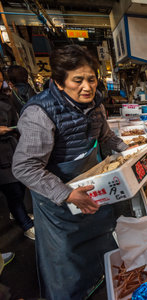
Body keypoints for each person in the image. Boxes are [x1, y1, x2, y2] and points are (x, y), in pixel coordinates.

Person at [12, 45, 128, 299]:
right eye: (78, 80)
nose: (87, 87)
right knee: (67, 257)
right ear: (59, 82)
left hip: (91, 187)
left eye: (91, 79)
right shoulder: (39, 113)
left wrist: (131, 154)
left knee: (100, 241)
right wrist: (66, 193)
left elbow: (106, 138)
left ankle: (103, 283)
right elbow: (24, 166)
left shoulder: (96, 104)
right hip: (58, 200)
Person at [0, 69, 34, 240]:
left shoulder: (7, 99)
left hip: (12, 148)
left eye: (0, 80)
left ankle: (18, 211)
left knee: (19, 186)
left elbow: (16, 121)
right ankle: (26, 224)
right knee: (11, 188)